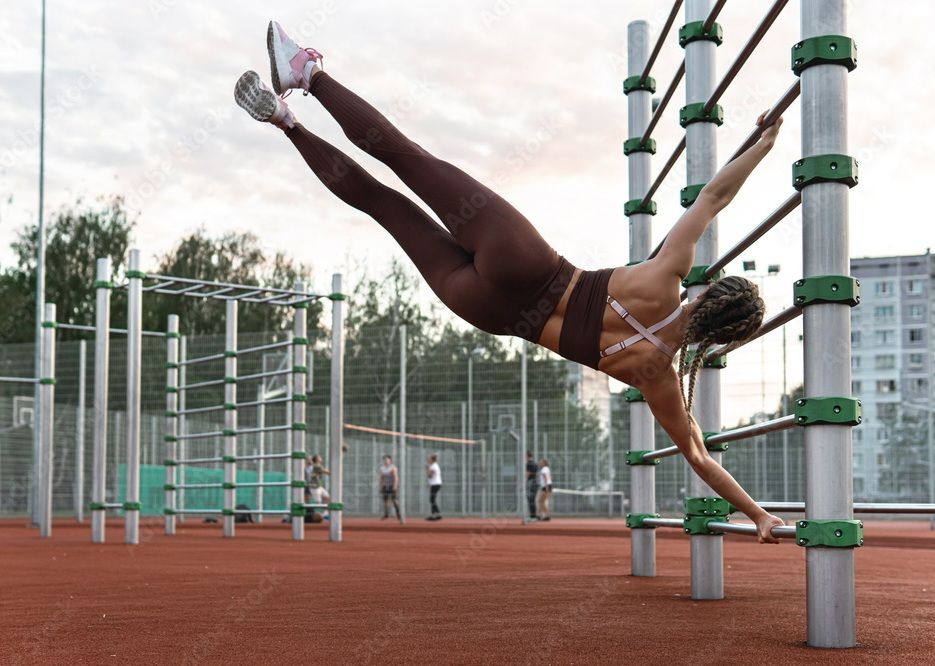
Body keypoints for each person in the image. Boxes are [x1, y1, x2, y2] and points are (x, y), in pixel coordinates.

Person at [236, 21, 787, 542]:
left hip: (523, 261)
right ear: (721, 338)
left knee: (408, 160)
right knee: (386, 207)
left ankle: (308, 74)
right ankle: (287, 124)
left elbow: (714, 197)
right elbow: (698, 457)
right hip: (488, 310)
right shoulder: (658, 377)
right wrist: (758, 515)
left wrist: (760, 144)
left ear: (712, 293)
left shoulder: (667, 278)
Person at [306, 454, 331, 520]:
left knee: (327, 497)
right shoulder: (316, 466)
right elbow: (326, 472)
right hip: (314, 487)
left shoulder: (317, 466)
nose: (320, 458)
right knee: (318, 503)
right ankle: (313, 515)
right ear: (317, 459)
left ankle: (325, 514)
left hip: (319, 486)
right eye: (319, 457)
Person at [379, 455, 403, 523]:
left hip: (391, 485)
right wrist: (380, 486)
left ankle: (398, 513)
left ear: (390, 460)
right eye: (384, 460)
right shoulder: (382, 468)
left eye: (387, 460)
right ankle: (386, 514)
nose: (385, 461)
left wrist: (395, 486)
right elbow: (381, 478)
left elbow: (396, 477)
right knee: (385, 501)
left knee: (394, 500)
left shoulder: (393, 467)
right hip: (385, 486)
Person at [425, 454, 442, 521]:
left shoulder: (433, 466)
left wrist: (427, 469)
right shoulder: (435, 466)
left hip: (435, 484)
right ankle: (436, 514)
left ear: (432, 460)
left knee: (432, 500)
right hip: (435, 484)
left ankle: (436, 514)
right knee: (432, 500)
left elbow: (429, 476)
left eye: (429, 459)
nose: (428, 460)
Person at [525, 451, 539, 520]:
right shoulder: (535, 463)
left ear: (527, 456)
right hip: (535, 482)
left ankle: (532, 515)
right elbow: (536, 474)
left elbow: (528, 474)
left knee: (530, 499)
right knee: (532, 499)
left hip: (530, 482)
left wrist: (524, 480)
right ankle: (533, 514)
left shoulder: (528, 464)